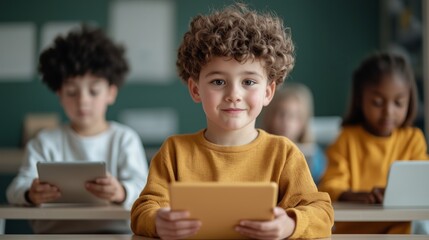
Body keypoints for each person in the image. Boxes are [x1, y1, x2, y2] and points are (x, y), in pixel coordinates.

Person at [131, 4, 333, 239]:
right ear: (196, 90)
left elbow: (322, 213)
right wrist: (158, 222)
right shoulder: (174, 152)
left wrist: (289, 224)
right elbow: (143, 209)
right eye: (218, 82)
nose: (234, 94)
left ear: (268, 92)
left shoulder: (284, 153)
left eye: (248, 82)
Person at [6, 25, 149, 234]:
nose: (83, 101)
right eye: (72, 91)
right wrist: (30, 193)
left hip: (115, 235)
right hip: (54, 235)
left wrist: (121, 192)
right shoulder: (45, 141)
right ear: (59, 94)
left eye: (93, 91)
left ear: (111, 92)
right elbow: (15, 190)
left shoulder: (124, 139)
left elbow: (145, 192)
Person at [318, 52, 428, 234]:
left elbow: (422, 185)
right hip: (352, 232)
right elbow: (329, 185)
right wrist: (359, 196)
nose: (388, 112)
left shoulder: (413, 139)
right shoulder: (346, 139)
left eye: (399, 103)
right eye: (377, 102)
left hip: (398, 231)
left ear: (410, 101)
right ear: (360, 100)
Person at [262, 83, 326, 184]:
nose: (286, 122)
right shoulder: (260, 148)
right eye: (281, 113)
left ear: (304, 121)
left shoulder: (315, 155)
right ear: (270, 116)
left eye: (294, 116)